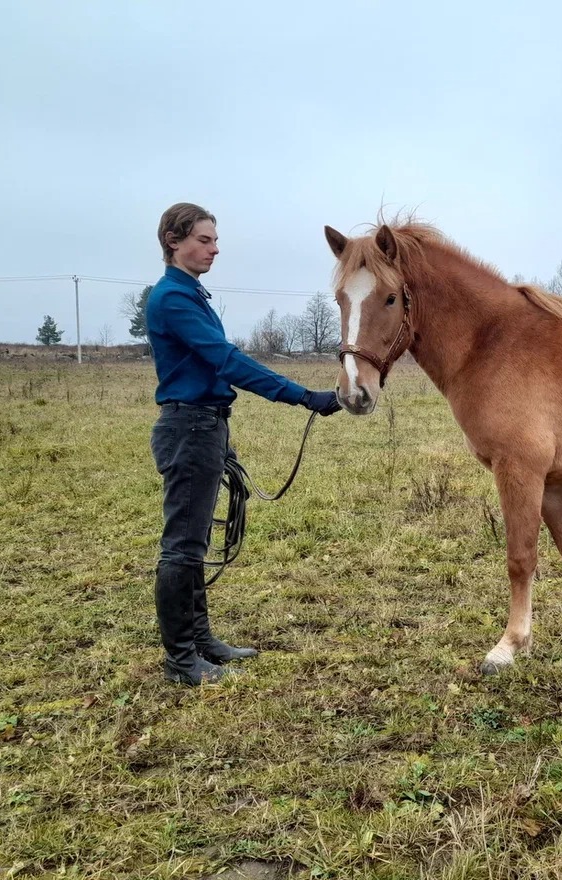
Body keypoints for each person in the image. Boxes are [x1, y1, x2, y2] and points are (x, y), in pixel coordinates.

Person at [146, 202, 342, 686]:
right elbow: (226, 361)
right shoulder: (173, 298)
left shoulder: (191, 294)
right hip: (190, 426)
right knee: (183, 547)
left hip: (204, 425)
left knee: (196, 540)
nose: (215, 248)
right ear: (174, 240)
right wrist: (302, 396)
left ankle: (200, 640)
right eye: (204, 239)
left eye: (215, 240)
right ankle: (181, 661)